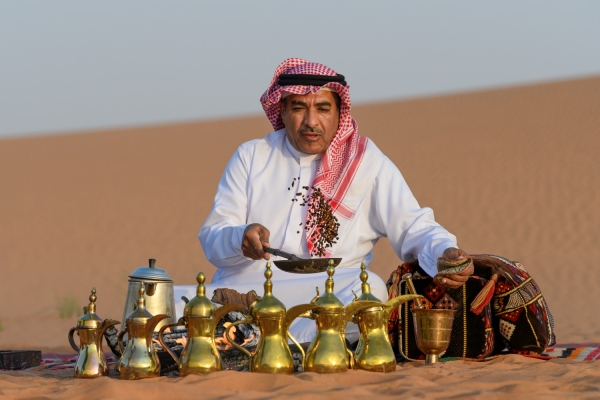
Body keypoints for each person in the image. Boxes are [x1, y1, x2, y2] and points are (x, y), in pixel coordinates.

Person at [198, 58, 473, 344]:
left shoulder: (365, 163)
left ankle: (260, 341)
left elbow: (412, 225)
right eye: (299, 108)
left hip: (330, 291)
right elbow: (213, 236)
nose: (311, 122)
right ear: (282, 108)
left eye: (322, 108)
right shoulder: (252, 156)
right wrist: (239, 237)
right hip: (250, 291)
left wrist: (445, 250)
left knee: (370, 294)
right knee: (182, 301)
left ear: (339, 112)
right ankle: (294, 341)